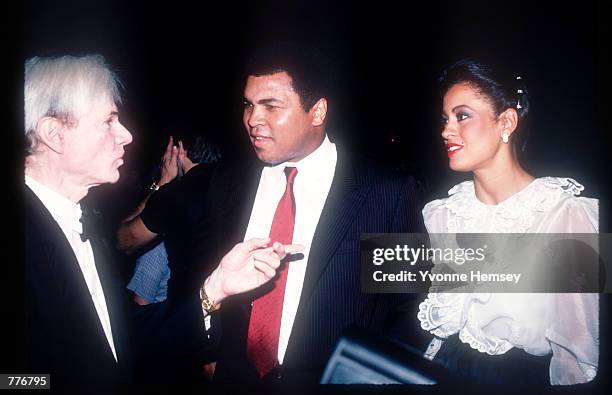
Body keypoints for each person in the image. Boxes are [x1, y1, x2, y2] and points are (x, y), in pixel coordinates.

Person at [23, 54, 300, 390]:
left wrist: (215, 288)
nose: (126, 135)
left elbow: (124, 338)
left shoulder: (81, 226)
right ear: (54, 134)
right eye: (109, 120)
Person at [186, 42, 429, 384]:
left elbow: (410, 305)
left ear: (317, 112)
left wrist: (371, 377)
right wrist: (207, 349)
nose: (253, 119)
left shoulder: (385, 192)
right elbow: (206, 268)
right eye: (249, 105)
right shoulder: (228, 181)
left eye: (270, 106)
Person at [416, 59, 599, 385]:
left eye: (462, 116)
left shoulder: (564, 215)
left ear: (506, 122)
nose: (446, 130)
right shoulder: (441, 215)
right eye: (445, 119)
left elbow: (577, 355)